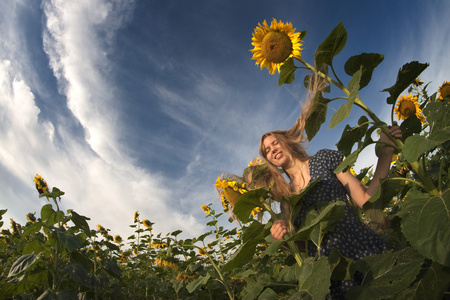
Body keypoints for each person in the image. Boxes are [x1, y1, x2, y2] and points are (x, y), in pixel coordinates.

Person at [255, 83, 402, 298]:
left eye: (275, 142)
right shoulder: (287, 199)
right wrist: (281, 239)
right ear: (269, 161)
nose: (273, 149)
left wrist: (386, 154)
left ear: (286, 142)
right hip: (333, 275)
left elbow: (364, 201)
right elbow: (304, 248)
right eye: (267, 150)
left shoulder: (324, 159)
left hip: (363, 251)